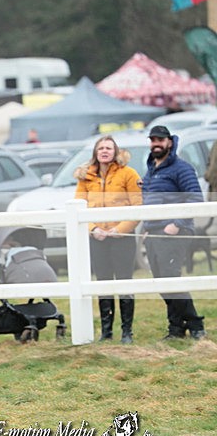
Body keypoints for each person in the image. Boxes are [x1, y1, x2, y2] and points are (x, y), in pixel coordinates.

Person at [142, 125, 207, 341]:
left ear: (169, 142)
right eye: (153, 140)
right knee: (161, 282)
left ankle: (194, 324)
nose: (156, 144)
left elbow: (195, 199)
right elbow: (148, 202)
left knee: (171, 278)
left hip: (174, 232)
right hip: (153, 233)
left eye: (160, 140)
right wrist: (146, 228)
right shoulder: (151, 170)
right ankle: (177, 328)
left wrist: (177, 223)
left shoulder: (182, 168)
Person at [74, 137, 142, 344]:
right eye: (101, 148)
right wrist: (93, 228)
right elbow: (78, 206)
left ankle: (127, 331)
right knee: (102, 282)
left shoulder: (129, 174)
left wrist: (119, 230)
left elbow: (137, 207)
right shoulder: (85, 177)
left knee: (124, 281)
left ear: (115, 151)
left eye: (108, 148)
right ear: (95, 152)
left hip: (122, 238)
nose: (104, 151)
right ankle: (106, 331)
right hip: (97, 238)